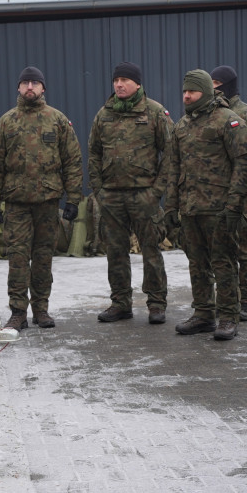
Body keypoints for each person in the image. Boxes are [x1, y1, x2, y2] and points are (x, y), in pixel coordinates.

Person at [0, 66, 83, 331]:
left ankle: (41, 309)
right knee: (17, 257)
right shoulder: (6, 122)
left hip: (48, 203)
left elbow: (72, 161)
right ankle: (18, 312)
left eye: (35, 83)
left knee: (43, 258)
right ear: (18, 88)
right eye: (25, 83)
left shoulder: (58, 120)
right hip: (16, 203)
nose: (30, 87)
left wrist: (73, 199)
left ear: (43, 88)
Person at [163, 69, 247, 341]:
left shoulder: (228, 121)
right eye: (184, 91)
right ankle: (204, 313)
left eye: (193, 91)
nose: (187, 96)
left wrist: (234, 205)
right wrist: (170, 207)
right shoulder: (181, 126)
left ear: (206, 91)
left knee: (223, 263)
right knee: (197, 263)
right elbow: (173, 169)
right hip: (191, 209)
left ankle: (228, 316)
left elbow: (245, 163)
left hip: (219, 209)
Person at [88, 62, 174, 324]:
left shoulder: (155, 112)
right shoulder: (104, 114)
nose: (119, 84)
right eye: (116, 80)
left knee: (151, 251)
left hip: (144, 195)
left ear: (137, 84)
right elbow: (93, 153)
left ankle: (156, 303)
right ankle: (120, 302)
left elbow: (170, 153)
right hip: (112, 196)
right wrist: (99, 190)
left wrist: (157, 190)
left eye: (125, 80)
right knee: (115, 252)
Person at [211, 65, 247, 322]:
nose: (212, 88)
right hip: (217, 197)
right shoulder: (210, 114)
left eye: (217, 83)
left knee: (245, 250)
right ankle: (228, 299)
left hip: (243, 197)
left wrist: (243, 191)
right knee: (222, 252)